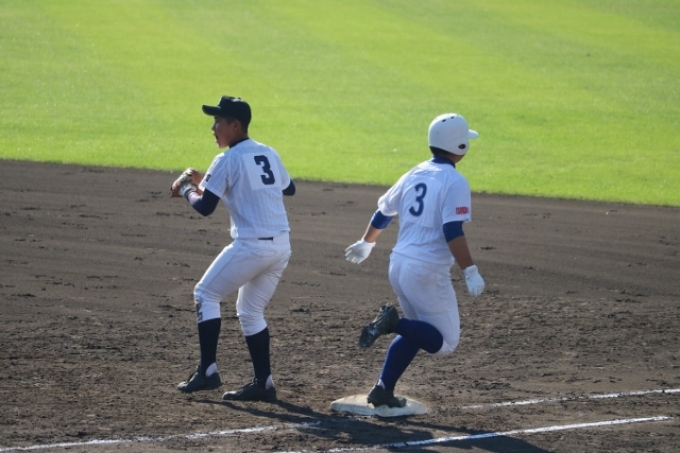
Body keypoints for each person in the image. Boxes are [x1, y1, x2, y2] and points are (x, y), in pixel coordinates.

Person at [344, 112, 486, 408]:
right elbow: (452, 230)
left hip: (398, 264)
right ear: (459, 146)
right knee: (444, 343)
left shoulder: (415, 172)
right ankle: (393, 322)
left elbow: (384, 212)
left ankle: (382, 390)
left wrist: (366, 243)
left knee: (418, 329)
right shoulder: (455, 181)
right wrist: (470, 270)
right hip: (425, 272)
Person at [171, 95, 296, 402]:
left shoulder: (226, 160)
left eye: (218, 122)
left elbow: (205, 207)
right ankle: (263, 383)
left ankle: (207, 372)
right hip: (281, 247)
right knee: (250, 311)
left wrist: (187, 188)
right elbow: (288, 188)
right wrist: (208, 180)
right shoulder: (267, 152)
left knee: (205, 294)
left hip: (252, 247)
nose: (213, 128)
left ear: (235, 125)